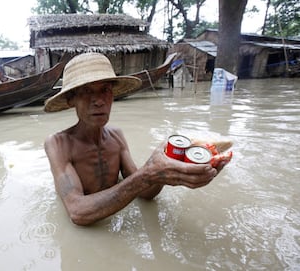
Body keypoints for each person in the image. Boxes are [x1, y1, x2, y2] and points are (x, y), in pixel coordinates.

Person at [44, 52, 227, 226]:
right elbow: (78, 212)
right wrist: (148, 174)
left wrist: (168, 167)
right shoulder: (58, 144)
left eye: (105, 89)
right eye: (86, 91)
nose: (98, 100)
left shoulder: (116, 136)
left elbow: (145, 193)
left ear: (112, 94)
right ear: (70, 100)